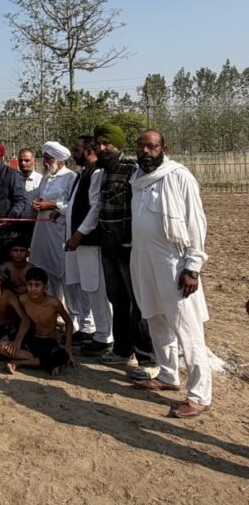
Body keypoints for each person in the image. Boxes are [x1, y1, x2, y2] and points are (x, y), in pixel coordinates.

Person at [129, 131, 212, 419]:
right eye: (141, 146)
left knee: (187, 328)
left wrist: (192, 267)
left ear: (164, 148)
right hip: (143, 259)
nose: (145, 151)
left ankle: (200, 395)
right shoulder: (137, 179)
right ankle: (167, 374)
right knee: (155, 317)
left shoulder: (179, 176)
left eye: (151, 146)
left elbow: (196, 223)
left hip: (174, 263)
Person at [95, 123, 155, 366]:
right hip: (108, 244)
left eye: (106, 143)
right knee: (117, 300)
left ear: (118, 145)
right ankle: (122, 350)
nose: (101, 148)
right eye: (98, 144)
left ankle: (147, 357)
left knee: (138, 302)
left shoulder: (133, 170)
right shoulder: (103, 172)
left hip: (128, 245)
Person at [62, 136, 113, 355]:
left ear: (89, 150)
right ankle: (91, 330)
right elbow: (75, 205)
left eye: (77, 149)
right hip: (81, 243)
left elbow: (95, 208)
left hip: (90, 242)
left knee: (96, 288)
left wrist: (79, 234)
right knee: (87, 287)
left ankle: (104, 337)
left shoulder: (97, 173)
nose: (74, 153)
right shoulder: (84, 173)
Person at [0, 267, 75, 376]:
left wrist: (68, 348)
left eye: (37, 285)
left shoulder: (53, 303)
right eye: (30, 284)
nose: (33, 288)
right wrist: (17, 340)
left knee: (62, 356)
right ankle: (42, 362)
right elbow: (24, 320)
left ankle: (19, 362)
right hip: (31, 340)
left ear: (45, 287)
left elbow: (69, 323)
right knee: (3, 347)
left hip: (49, 342)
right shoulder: (23, 300)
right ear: (26, 285)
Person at [29, 142, 76, 301]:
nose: (45, 162)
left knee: (64, 272)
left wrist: (53, 205)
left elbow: (74, 205)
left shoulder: (71, 177)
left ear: (59, 160)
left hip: (60, 233)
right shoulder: (46, 177)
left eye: (48, 158)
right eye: (44, 158)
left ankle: (72, 313)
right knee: (46, 273)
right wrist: (38, 204)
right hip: (43, 233)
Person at [17, 148, 42, 245]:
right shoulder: (12, 178)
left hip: (34, 225)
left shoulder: (41, 180)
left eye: (27, 160)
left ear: (33, 161)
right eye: (20, 160)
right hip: (14, 225)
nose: (23, 163)